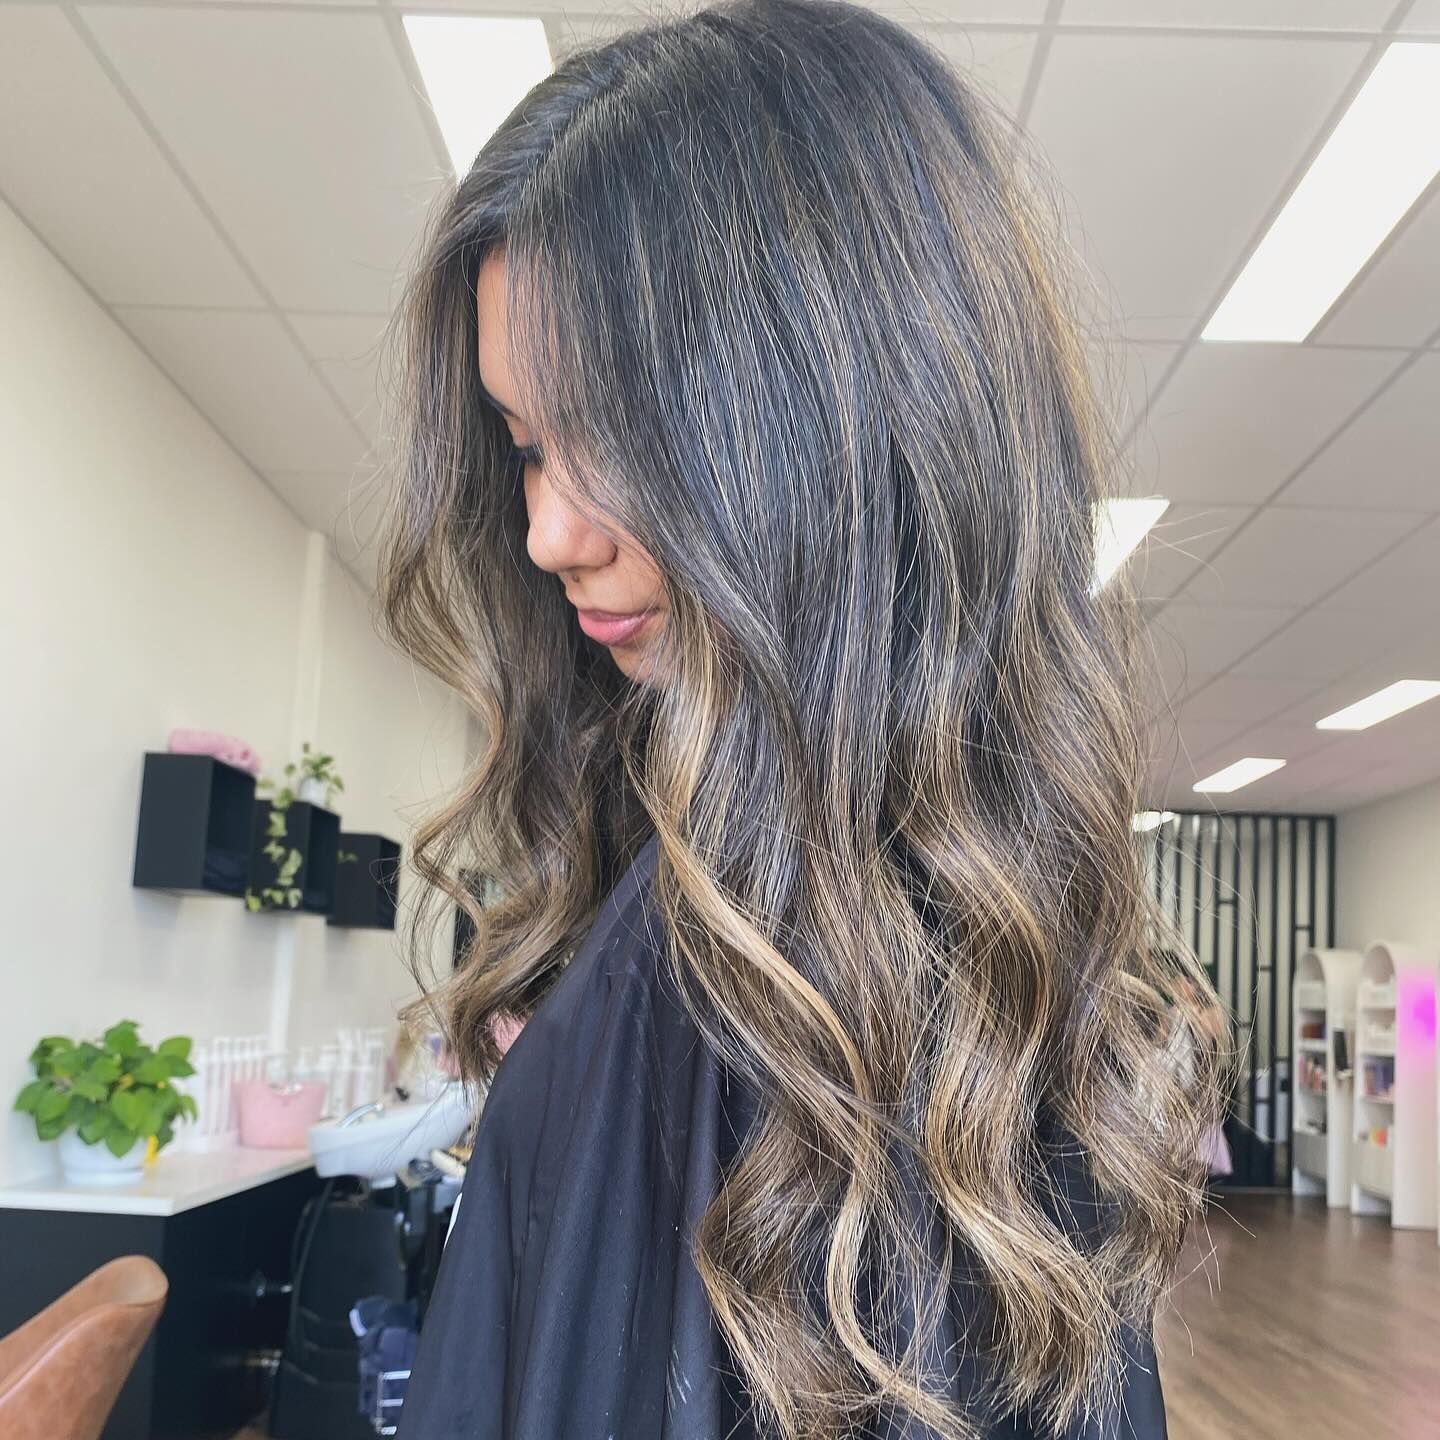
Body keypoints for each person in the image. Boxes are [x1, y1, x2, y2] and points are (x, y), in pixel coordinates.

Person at [376, 1, 1225, 1436]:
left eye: (610, 434)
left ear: (832, 426)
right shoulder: (773, 912)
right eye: (525, 448)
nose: (545, 532)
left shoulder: (826, 976)